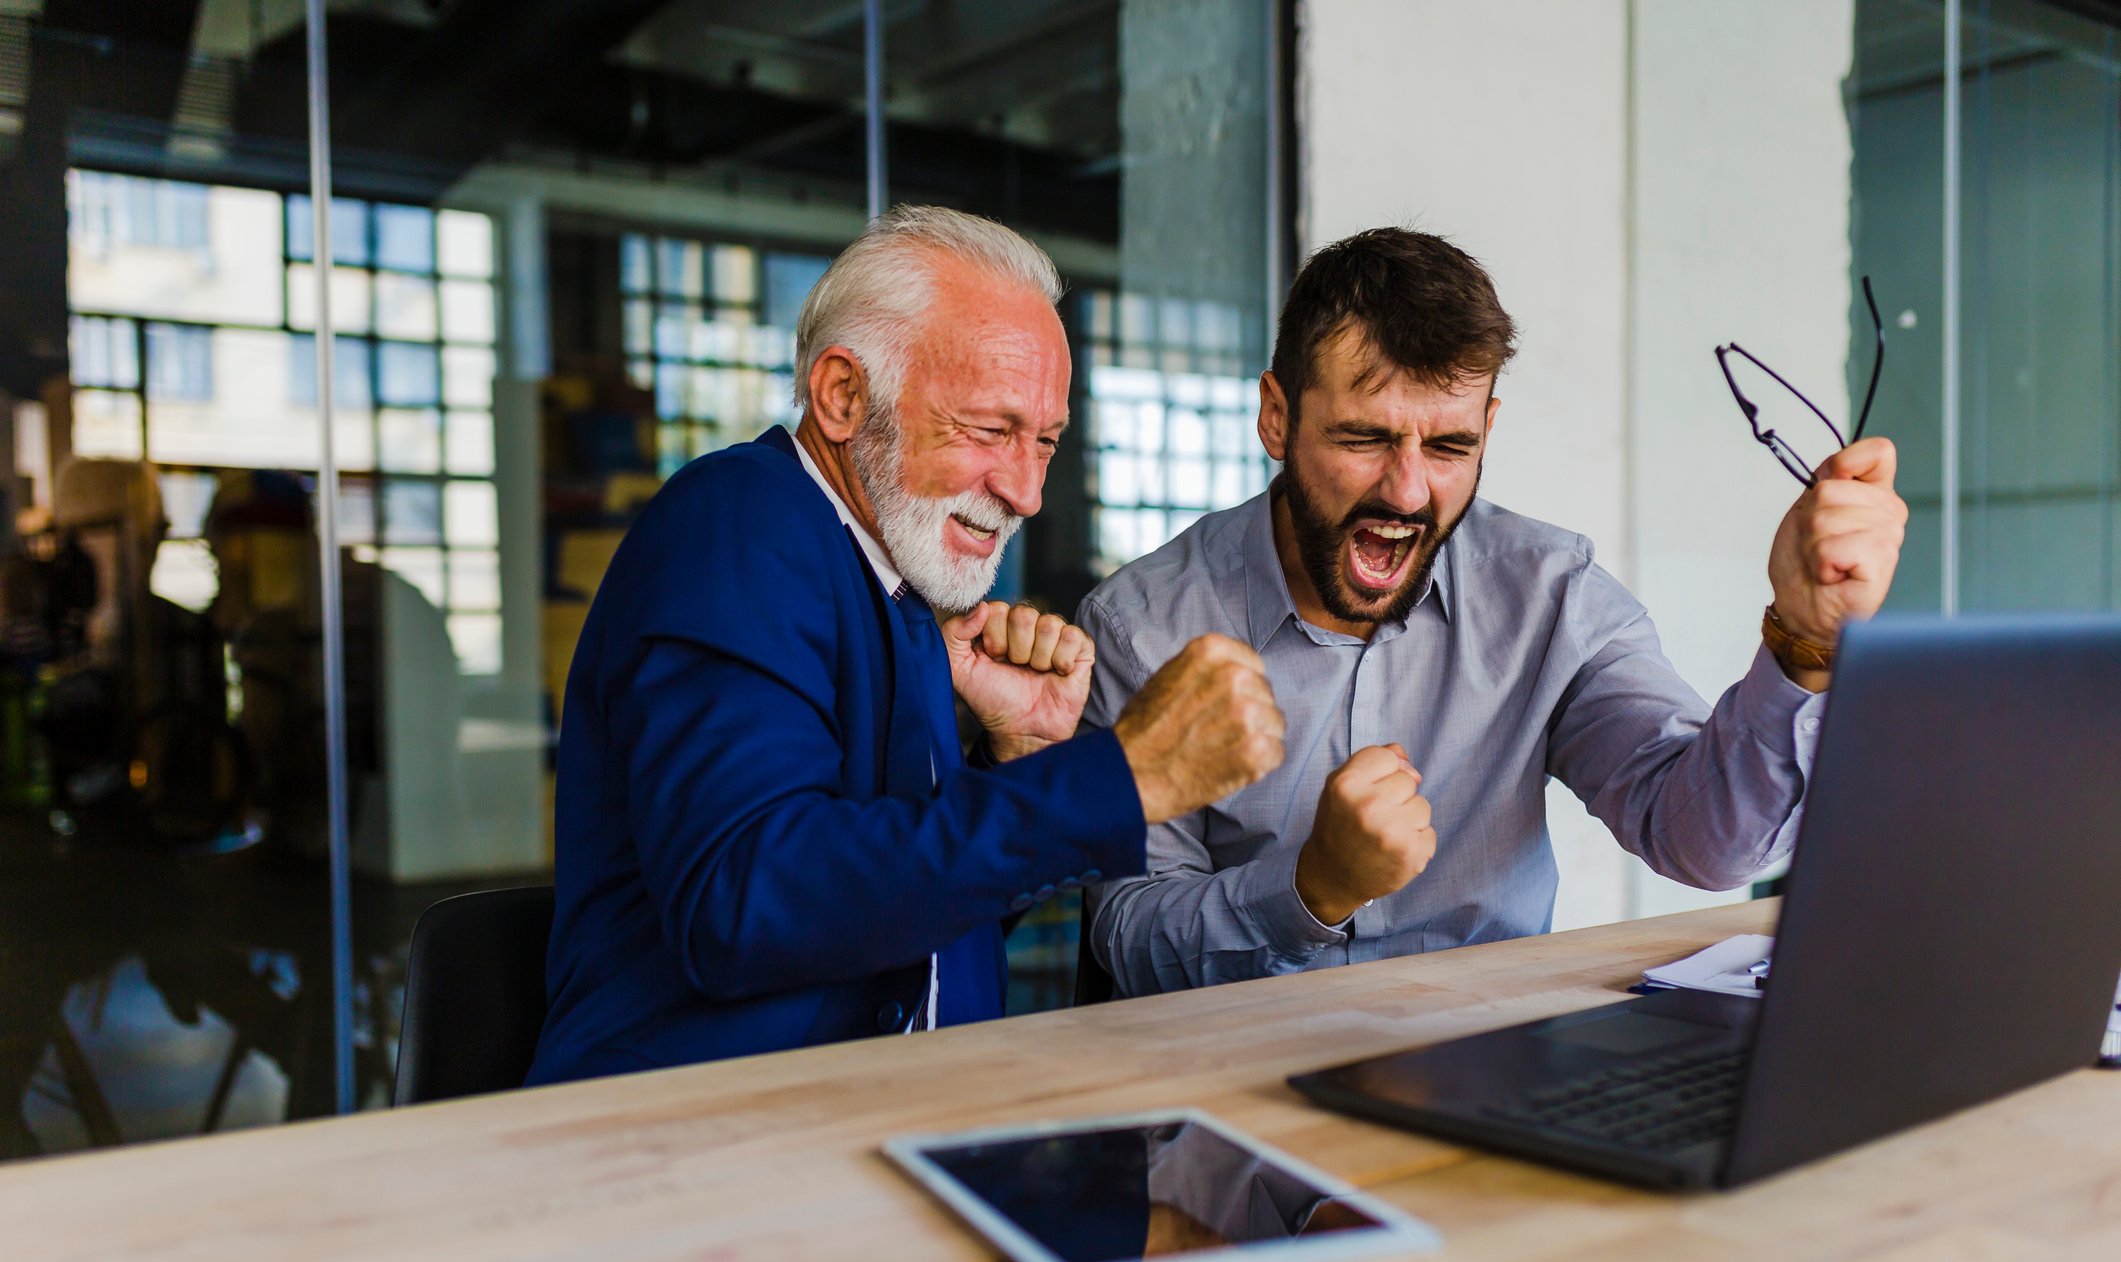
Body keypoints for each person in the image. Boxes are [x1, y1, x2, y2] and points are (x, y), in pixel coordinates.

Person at [527, 207, 1284, 1083]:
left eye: (1044, 441)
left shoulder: (896, 577)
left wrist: (1014, 762)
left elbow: (897, 931)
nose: (1027, 491)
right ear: (843, 397)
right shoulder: (737, 521)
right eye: (990, 430)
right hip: (697, 1153)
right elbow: (742, 908)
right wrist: (1120, 778)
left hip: (881, 1125)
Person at [1080, 227, 1906, 996]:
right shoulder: (1139, 624)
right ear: (1276, 416)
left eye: (1448, 447)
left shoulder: (1549, 592)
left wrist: (1806, 641)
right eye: (1363, 438)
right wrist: (1312, 888)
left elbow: (1705, 842)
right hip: (1232, 1090)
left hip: (1485, 1067)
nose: (1406, 491)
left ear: (1487, 428)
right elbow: (1126, 940)